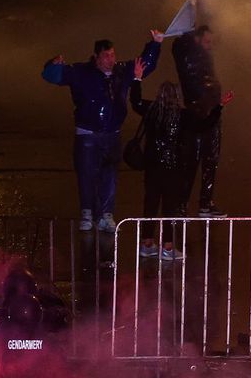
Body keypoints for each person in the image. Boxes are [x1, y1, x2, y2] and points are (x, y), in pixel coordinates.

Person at [42, 33, 162, 232]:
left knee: (110, 175)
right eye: (106, 56)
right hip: (87, 135)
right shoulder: (80, 72)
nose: (111, 60)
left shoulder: (122, 71)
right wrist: (52, 64)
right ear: (96, 57)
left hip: (112, 134)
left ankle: (106, 214)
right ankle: (87, 213)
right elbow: (50, 75)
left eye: (113, 55)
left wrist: (155, 44)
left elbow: (146, 64)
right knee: (87, 175)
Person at [128, 56, 233, 260]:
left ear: (159, 95)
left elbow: (135, 101)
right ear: (176, 96)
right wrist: (220, 106)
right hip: (173, 168)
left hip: (152, 166)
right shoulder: (182, 115)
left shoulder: (151, 110)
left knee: (150, 203)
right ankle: (167, 247)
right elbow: (205, 124)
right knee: (170, 207)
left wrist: (137, 79)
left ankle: (147, 243)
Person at [171, 25, 227, 217]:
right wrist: (188, 21)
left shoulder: (205, 59)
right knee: (190, 162)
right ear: (197, 41)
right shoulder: (188, 57)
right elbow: (179, 47)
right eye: (206, 42)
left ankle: (205, 204)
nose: (209, 46)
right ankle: (180, 205)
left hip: (212, 115)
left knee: (211, 161)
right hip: (196, 116)